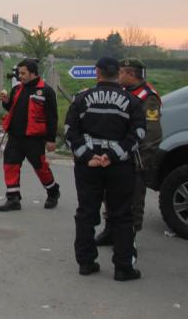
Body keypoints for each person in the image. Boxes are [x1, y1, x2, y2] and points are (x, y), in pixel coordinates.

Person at [65, 57, 146, 281]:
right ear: (118, 73)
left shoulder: (81, 99)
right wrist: (111, 156)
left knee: (86, 213)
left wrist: (89, 156)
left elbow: (70, 133)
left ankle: (86, 262)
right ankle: (123, 267)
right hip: (119, 167)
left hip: (88, 167)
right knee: (121, 215)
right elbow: (137, 135)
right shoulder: (132, 102)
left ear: (97, 72)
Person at [95, 58, 163, 245]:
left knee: (132, 200)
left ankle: (128, 238)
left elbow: (152, 133)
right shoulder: (124, 92)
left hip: (135, 157)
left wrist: (142, 160)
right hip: (117, 154)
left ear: (131, 74)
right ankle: (110, 231)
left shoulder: (148, 98)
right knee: (110, 195)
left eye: (121, 72)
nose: (118, 75)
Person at [0, 59, 60, 211]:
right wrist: (6, 102)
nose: (20, 76)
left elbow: (52, 117)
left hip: (34, 139)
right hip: (15, 137)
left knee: (41, 168)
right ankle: (13, 199)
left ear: (33, 73)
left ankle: (53, 192)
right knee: (10, 166)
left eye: (23, 73)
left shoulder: (46, 91)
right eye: (19, 73)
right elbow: (12, 108)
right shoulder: (17, 89)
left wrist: (51, 140)